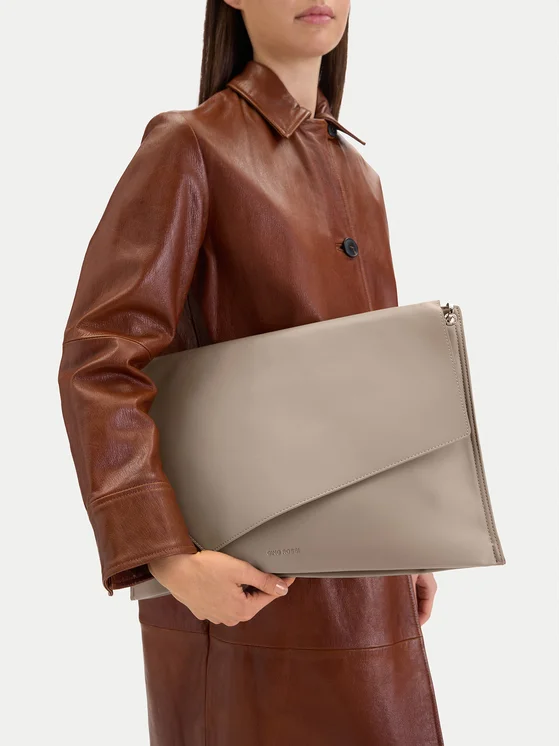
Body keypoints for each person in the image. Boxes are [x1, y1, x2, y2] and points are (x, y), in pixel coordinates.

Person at [57, 1, 443, 743]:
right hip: (244, 591)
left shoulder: (359, 173)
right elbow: (100, 356)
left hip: (370, 584)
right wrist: (167, 558)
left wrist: (410, 540)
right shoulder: (190, 145)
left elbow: (377, 379)